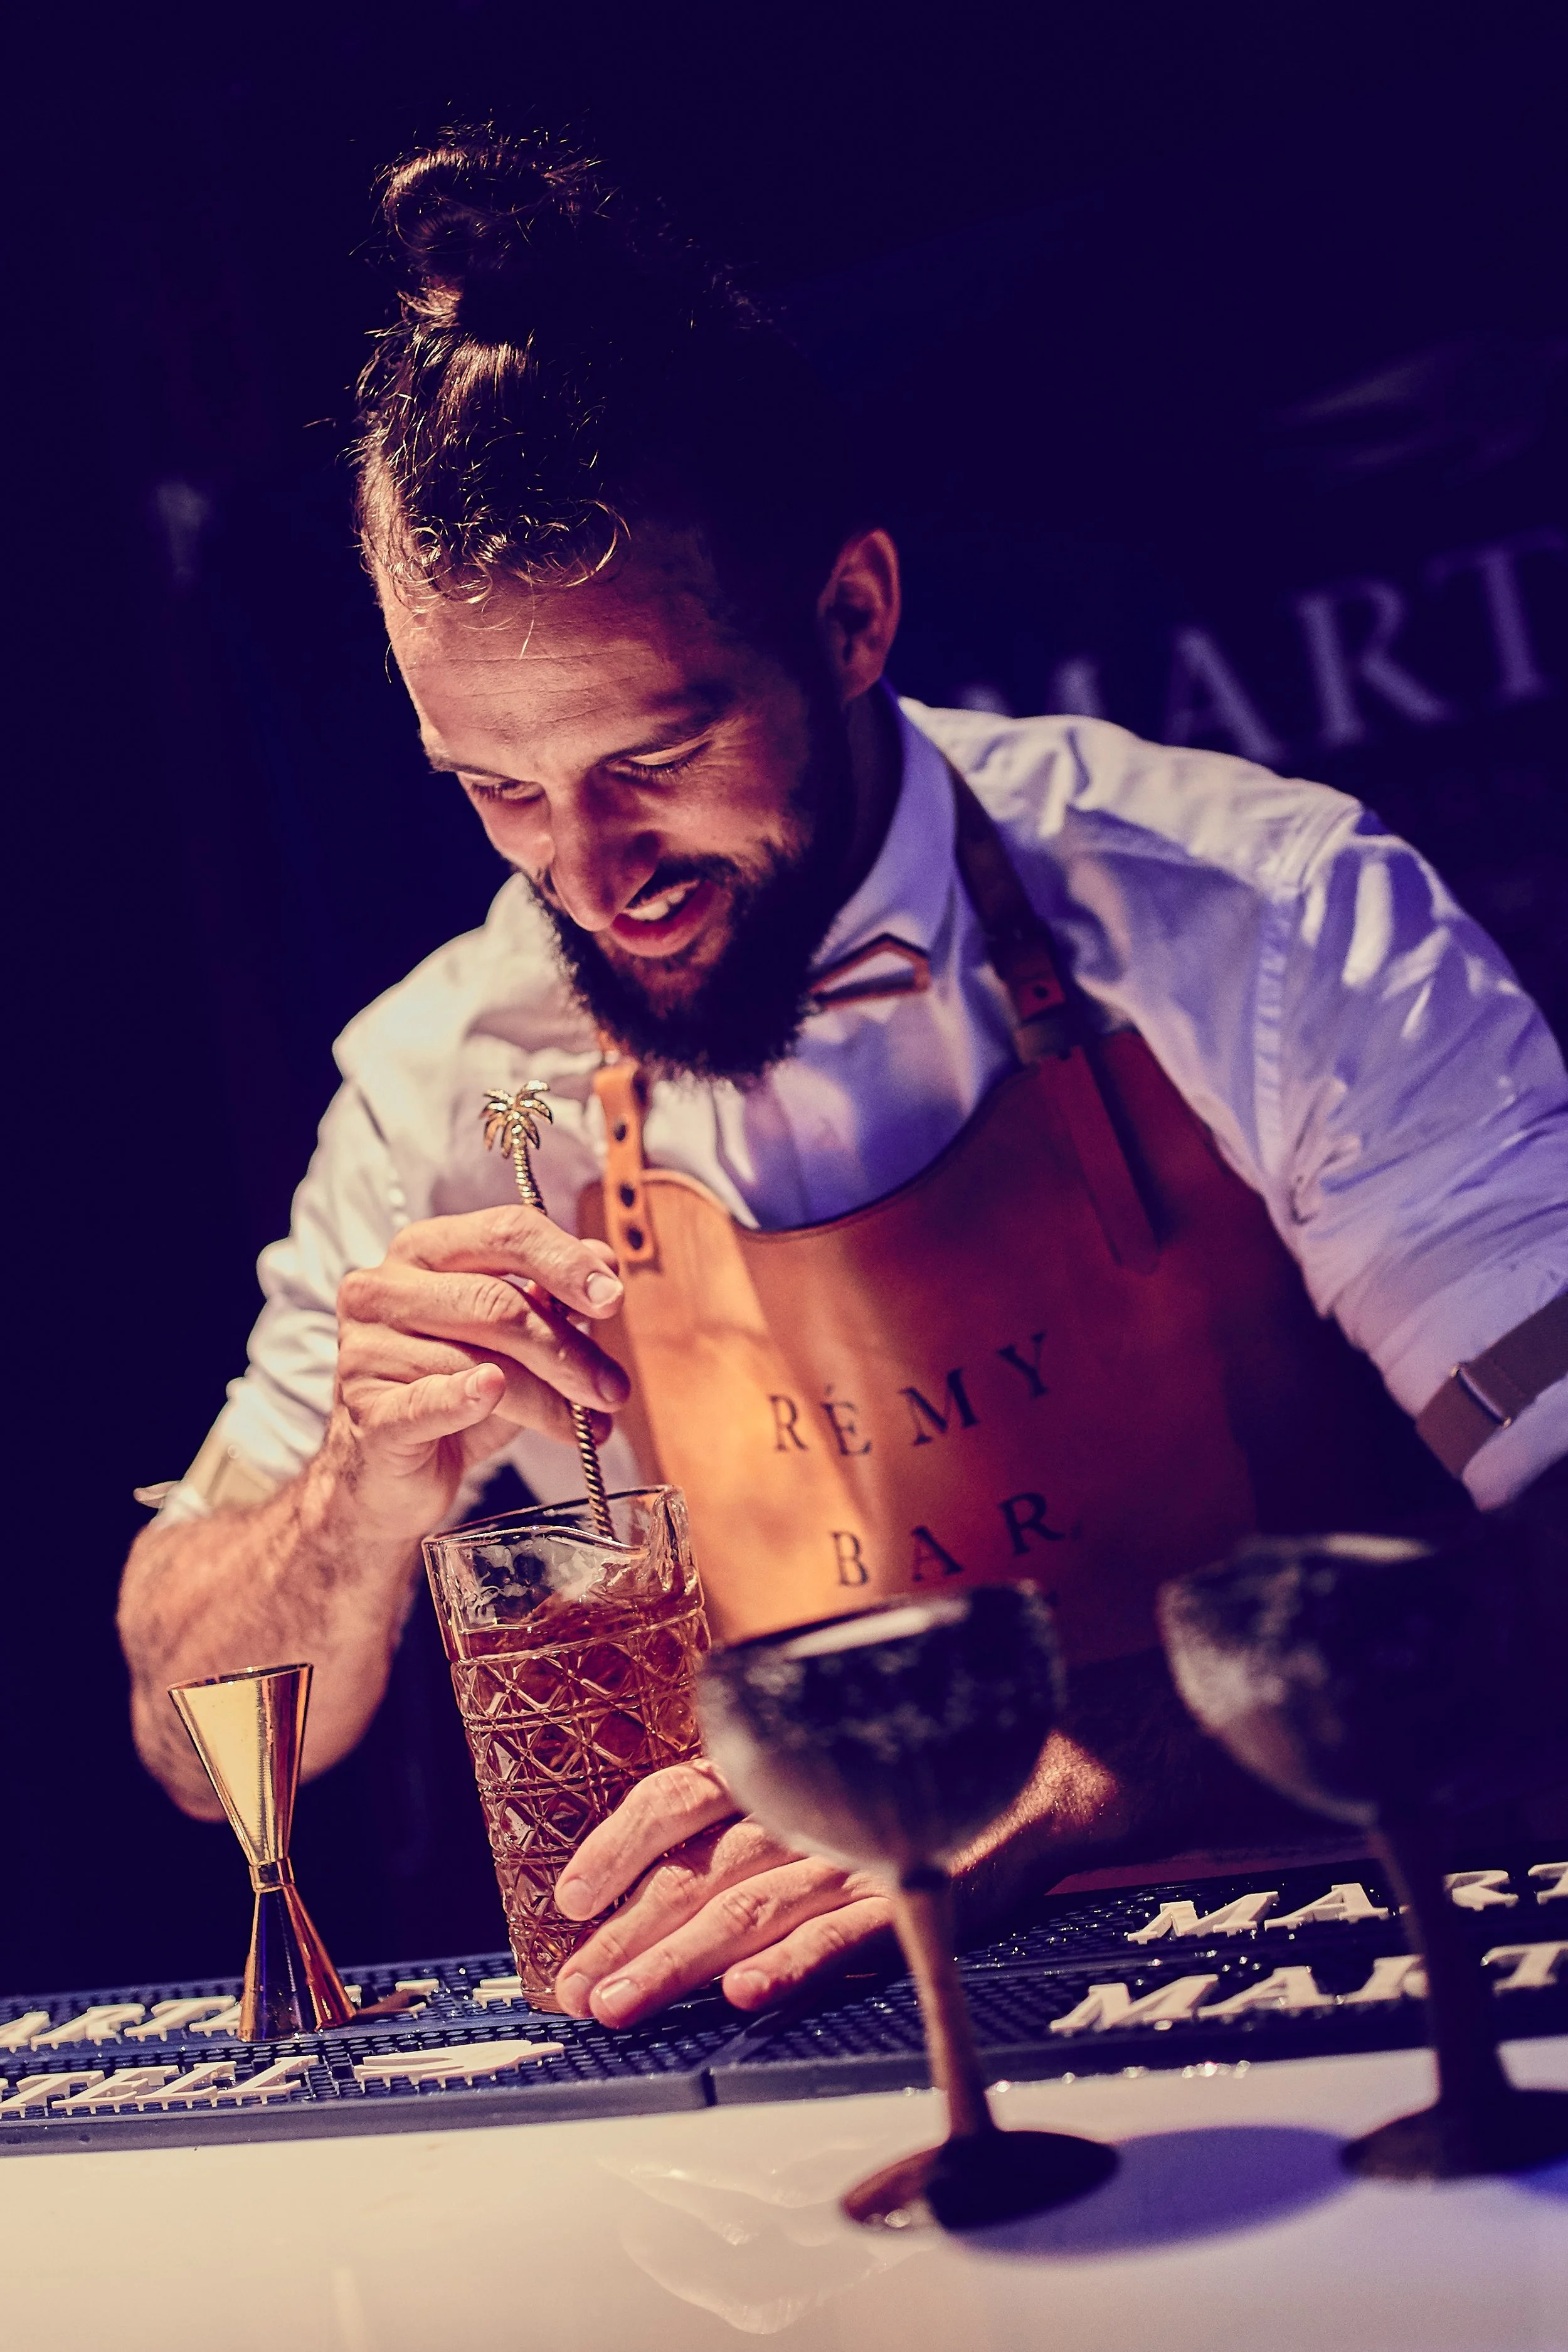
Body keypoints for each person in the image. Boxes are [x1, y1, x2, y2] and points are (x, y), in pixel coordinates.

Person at [118, 132, 1568, 2033]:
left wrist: (1055, 1763)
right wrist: (352, 1495)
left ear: (856, 616)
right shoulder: (446, 1077)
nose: (588, 869)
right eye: (494, 785)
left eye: (659, 749)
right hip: (826, 2038)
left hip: (1359, 1966)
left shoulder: (1255, 916)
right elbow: (179, 1707)